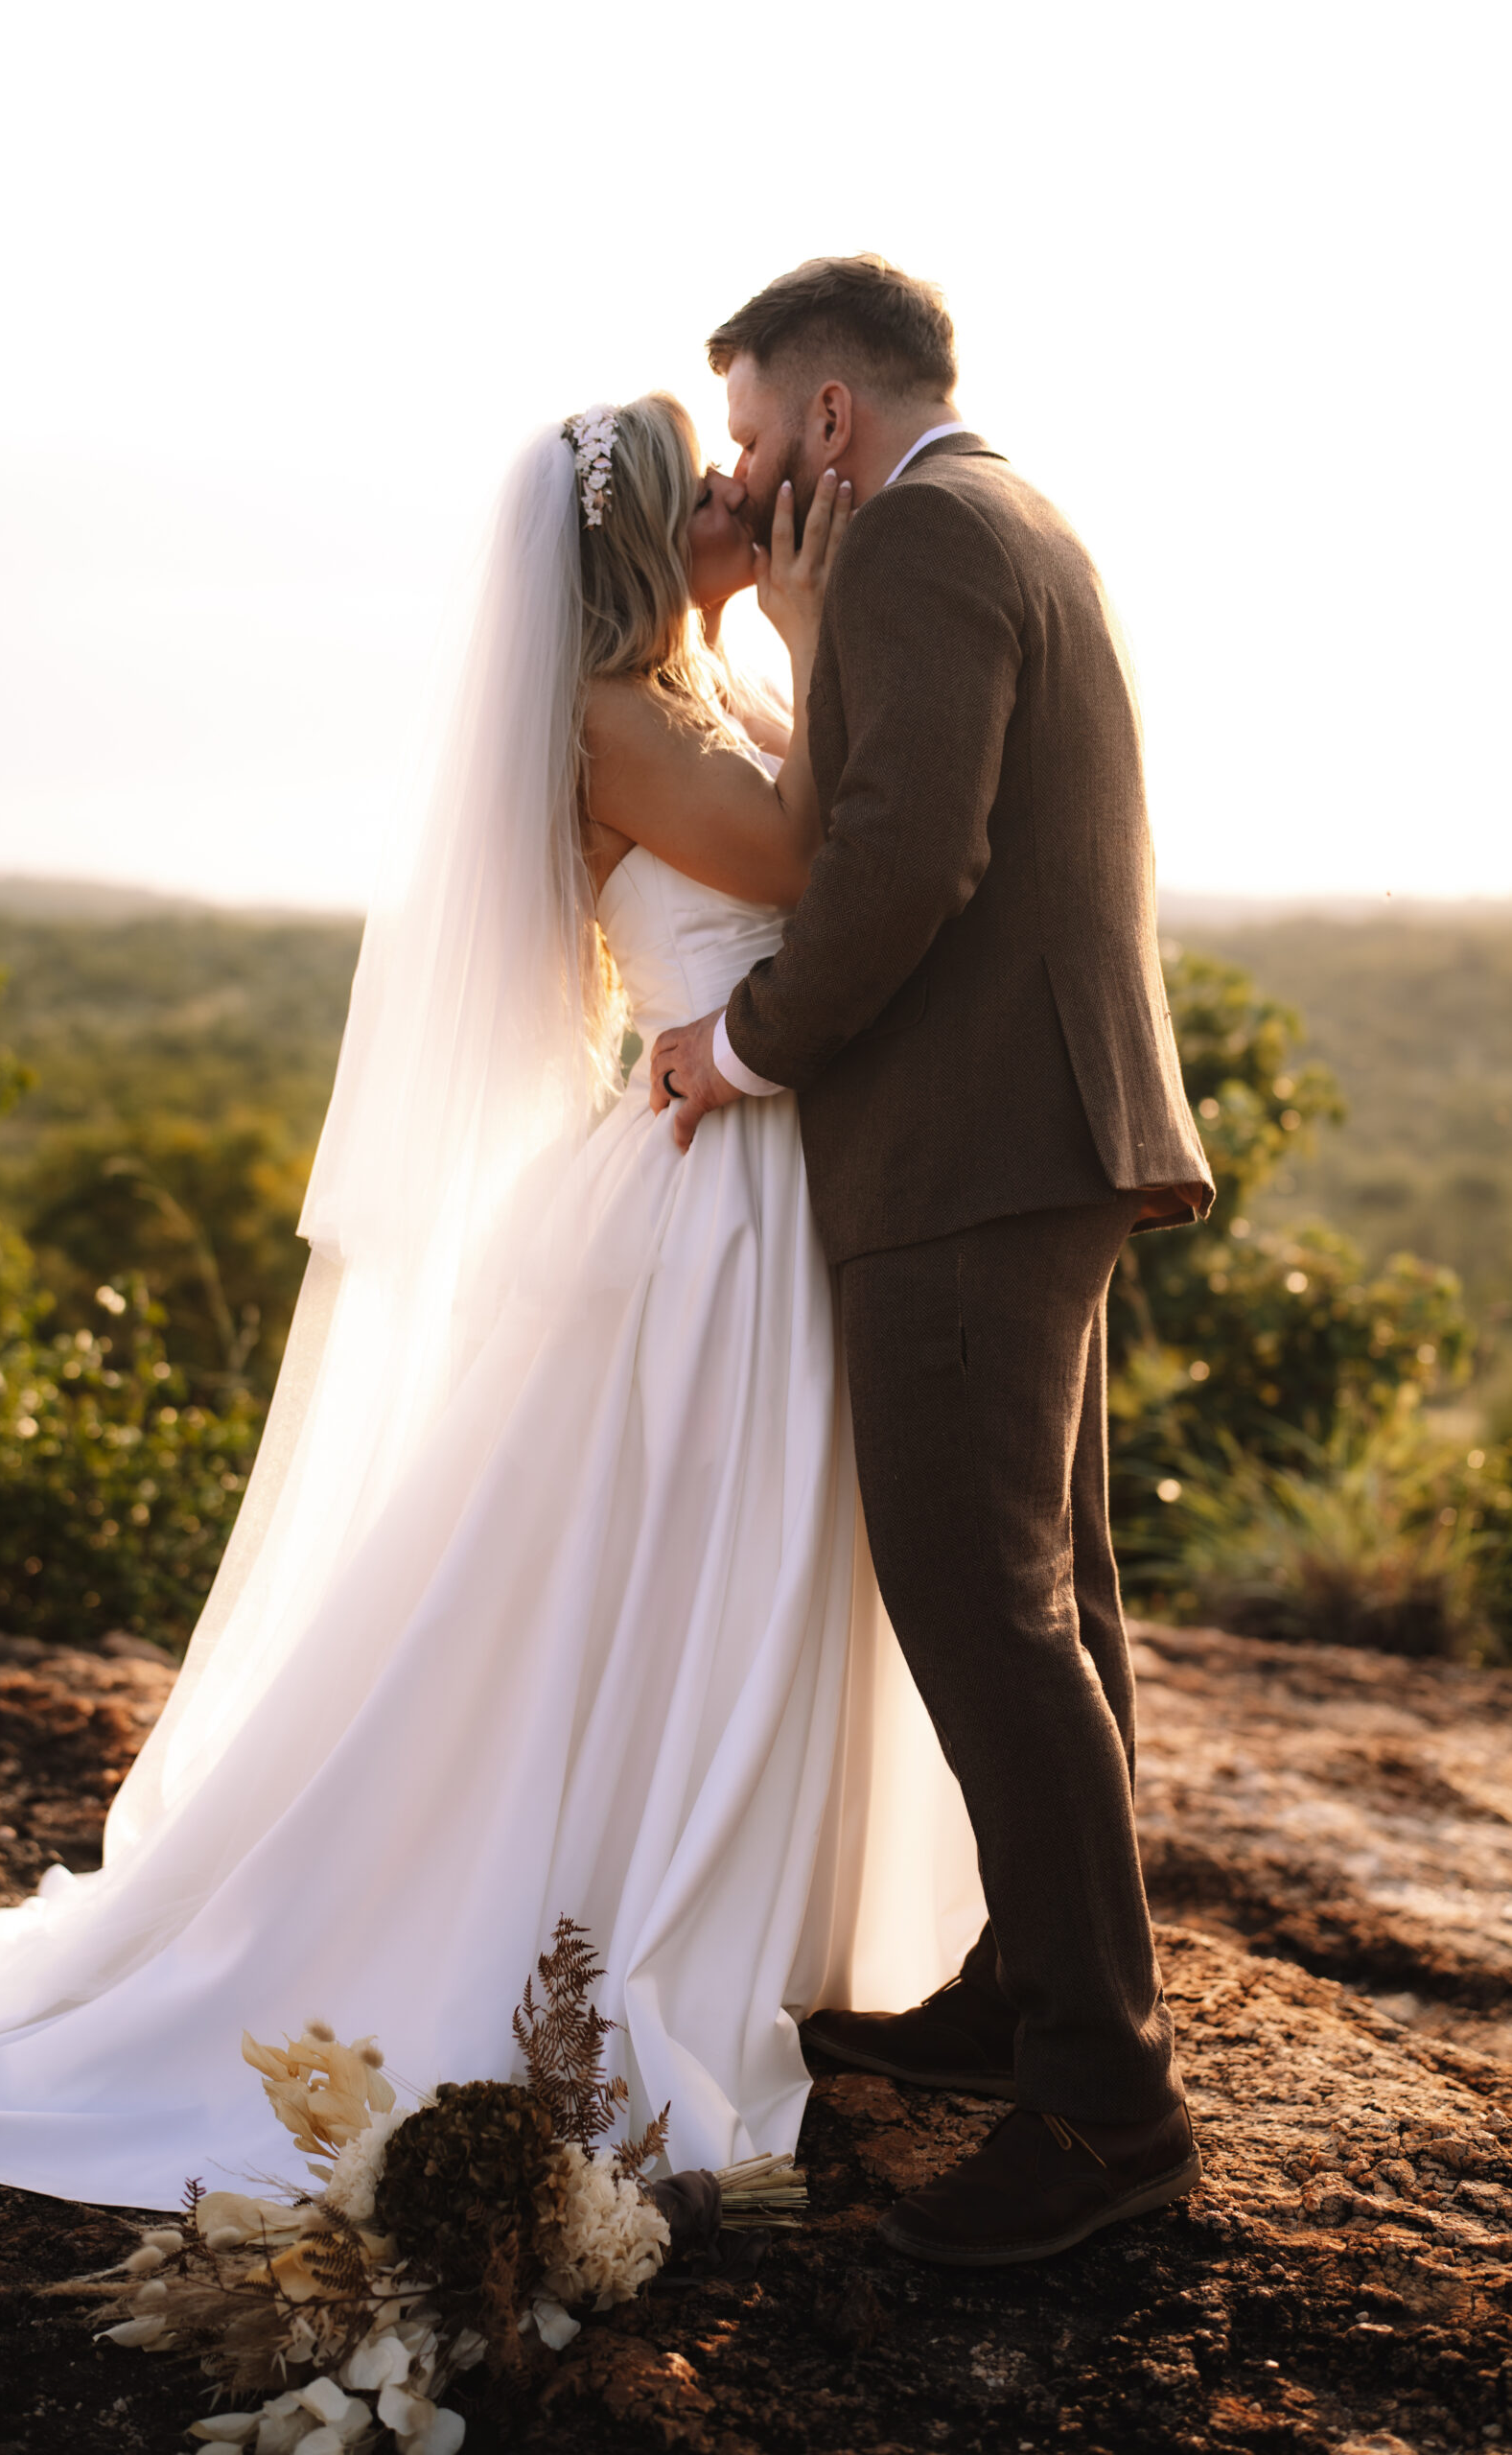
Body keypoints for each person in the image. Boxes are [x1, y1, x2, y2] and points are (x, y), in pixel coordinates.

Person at [0, 392, 983, 2209]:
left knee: (734, 1559)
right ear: (636, 541)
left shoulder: (683, 690)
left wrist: (781, 641)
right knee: (685, 1561)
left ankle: (733, 1904)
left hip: (767, 1167)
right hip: (715, 1196)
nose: (741, 489)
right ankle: (596, 1919)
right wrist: (813, 623)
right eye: (703, 482)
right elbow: (806, 865)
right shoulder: (615, 719)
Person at [650, 255, 1216, 2267]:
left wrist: (735, 1045)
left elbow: (902, 855)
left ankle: (1101, 2111)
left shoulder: (909, 534)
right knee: (1040, 1596)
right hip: (1034, 1131)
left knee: (981, 1609)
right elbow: (920, 804)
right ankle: (1024, 1999)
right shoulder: (1003, 513)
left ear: (821, 417)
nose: (736, 467)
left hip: (971, 1144)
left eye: (743, 430)